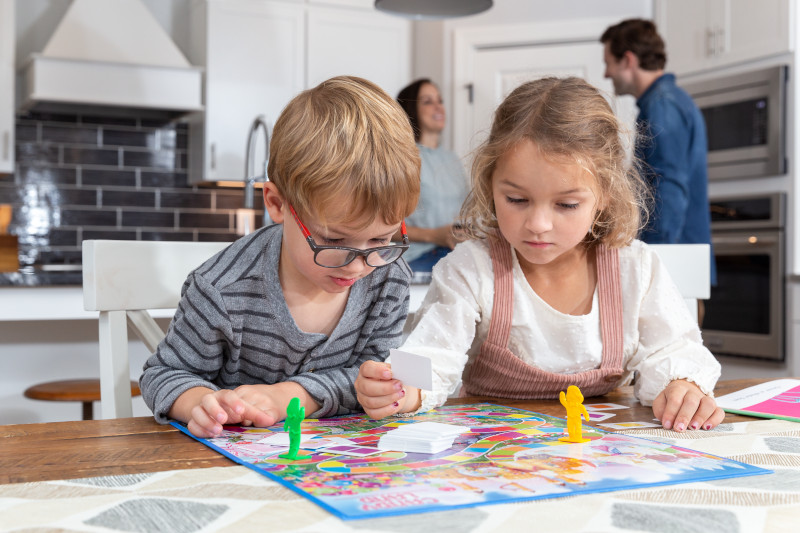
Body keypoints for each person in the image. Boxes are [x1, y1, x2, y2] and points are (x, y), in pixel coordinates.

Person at [355, 77, 724, 433]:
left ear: (606, 194)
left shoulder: (635, 268)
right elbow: (433, 354)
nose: (538, 224)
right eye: (516, 200)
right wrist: (403, 390)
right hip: (496, 459)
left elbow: (673, 349)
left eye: (566, 204)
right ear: (489, 183)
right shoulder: (472, 269)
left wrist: (681, 386)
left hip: (598, 457)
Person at [140, 76, 421, 438]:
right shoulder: (221, 288)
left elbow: (376, 375)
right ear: (276, 204)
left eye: (381, 239)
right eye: (334, 240)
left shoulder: (389, 277)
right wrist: (199, 402)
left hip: (342, 469)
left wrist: (293, 395)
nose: (358, 264)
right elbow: (163, 374)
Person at [600, 18, 716, 287]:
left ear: (628, 60)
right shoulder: (666, 101)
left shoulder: (663, 105)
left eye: (608, 63)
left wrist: (657, 260)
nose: (606, 74)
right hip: (680, 258)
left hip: (674, 261)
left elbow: (669, 187)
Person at [396, 79, 470, 272]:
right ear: (411, 109)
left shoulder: (451, 158)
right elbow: (378, 227)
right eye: (428, 101)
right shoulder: (402, 159)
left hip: (456, 252)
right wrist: (435, 235)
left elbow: (466, 211)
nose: (438, 107)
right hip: (419, 256)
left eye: (440, 100)